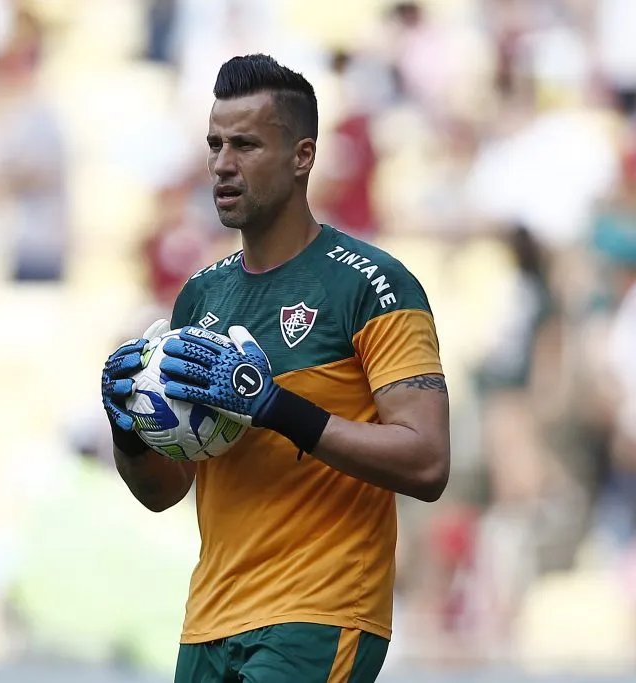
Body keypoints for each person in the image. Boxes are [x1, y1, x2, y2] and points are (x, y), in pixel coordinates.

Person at [100, 54, 450, 683]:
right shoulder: (200, 296)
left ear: (302, 157)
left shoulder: (372, 285)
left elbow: (427, 461)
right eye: (214, 145)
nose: (222, 164)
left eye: (245, 144)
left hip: (320, 612)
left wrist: (275, 408)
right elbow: (165, 491)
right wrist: (130, 427)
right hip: (210, 620)